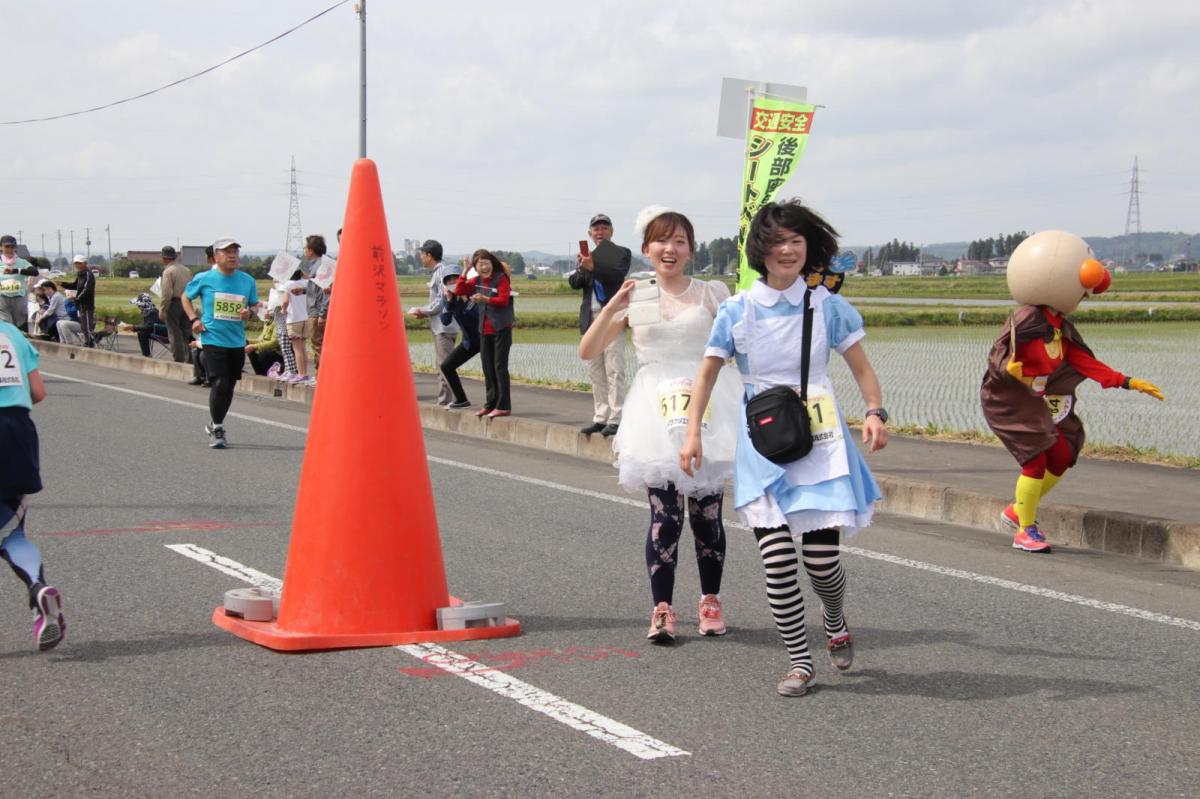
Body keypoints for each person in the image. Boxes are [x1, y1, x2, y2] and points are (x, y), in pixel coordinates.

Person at [680, 199, 890, 697]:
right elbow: (706, 373)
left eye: (797, 241)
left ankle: (834, 617)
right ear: (761, 252)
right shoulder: (737, 310)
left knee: (821, 564)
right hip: (764, 439)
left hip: (821, 440)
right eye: (777, 243)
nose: (788, 250)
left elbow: (861, 367)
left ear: (809, 248)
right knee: (776, 559)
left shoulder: (828, 306)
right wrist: (693, 432)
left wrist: (876, 411)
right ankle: (800, 662)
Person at [580, 207, 741, 643]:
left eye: (680, 241)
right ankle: (662, 608)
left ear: (691, 249)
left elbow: (741, 347)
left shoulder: (712, 293)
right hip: (654, 410)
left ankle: (710, 600)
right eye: (661, 241)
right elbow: (588, 348)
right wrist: (616, 301)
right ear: (647, 248)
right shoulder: (639, 296)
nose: (670, 249)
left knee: (707, 517)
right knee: (665, 517)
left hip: (707, 406)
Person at [980, 231, 1164, 553]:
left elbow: (1083, 362)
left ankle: (1016, 510)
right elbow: (1000, 354)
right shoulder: (1026, 318)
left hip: (1043, 399)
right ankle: (1026, 529)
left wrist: (1127, 381)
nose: (1086, 294)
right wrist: (1009, 369)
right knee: (1035, 460)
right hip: (1013, 400)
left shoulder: (1059, 327)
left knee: (1062, 455)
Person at [0, 316, 65, 651]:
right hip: (16, 430)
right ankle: (38, 587)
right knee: (12, 531)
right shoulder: (11, 333)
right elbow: (38, 391)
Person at [181, 237, 260, 448]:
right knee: (220, 382)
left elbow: (255, 305)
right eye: (227, 252)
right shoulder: (205, 278)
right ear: (216, 256)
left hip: (236, 341)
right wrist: (194, 319)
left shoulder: (247, 280)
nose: (232, 255)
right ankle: (217, 428)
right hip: (212, 337)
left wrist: (249, 312)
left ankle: (215, 422)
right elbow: (185, 297)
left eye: (235, 251)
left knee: (230, 386)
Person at [570, 213, 631, 437]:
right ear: (590, 234)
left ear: (612, 232)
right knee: (595, 370)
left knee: (615, 369)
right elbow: (575, 283)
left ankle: (616, 419)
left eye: (605, 228)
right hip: (591, 319)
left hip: (613, 317)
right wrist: (584, 267)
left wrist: (593, 266)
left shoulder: (620, 253)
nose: (600, 231)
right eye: (596, 229)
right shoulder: (586, 256)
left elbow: (616, 276)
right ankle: (600, 417)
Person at [453, 251, 514, 417]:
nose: (484, 267)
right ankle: (490, 404)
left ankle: (503, 406)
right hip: (484, 329)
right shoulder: (477, 280)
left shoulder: (500, 278)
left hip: (501, 328)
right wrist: (465, 271)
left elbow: (504, 299)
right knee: (487, 367)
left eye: (487, 263)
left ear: (492, 263)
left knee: (499, 367)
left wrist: (485, 299)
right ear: (476, 267)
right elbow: (459, 290)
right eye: (480, 264)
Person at [412, 240, 461, 406]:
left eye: (422, 254)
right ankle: (449, 400)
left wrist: (422, 310)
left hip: (444, 327)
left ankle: (446, 401)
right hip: (440, 325)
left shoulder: (441, 272)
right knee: (443, 364)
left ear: (429, 255)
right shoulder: (438, 271)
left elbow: (441, 300)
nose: (420, 257)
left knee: (444, 365)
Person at [438, 261, 480, 409]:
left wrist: (465, 300)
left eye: (455, 278)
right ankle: (461, 399)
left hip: (485, 338)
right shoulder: (448, 297)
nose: (452, 282)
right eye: (448, 280)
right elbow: (445, 320)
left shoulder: (471, 291)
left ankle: (495, 404)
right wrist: (449, 301)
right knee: (447, 366)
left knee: (492, 370)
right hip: (469, 342)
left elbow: (478, 316)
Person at [302, 235, 331, 379]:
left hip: (317, 310)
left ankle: (323, 377)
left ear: (311, 250)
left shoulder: (321, 265)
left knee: (318, 345)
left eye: (305, 248)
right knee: (318, 344)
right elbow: (316, 288)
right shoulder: (318, 265)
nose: (304, 251)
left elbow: (327, 291)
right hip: (316, 309)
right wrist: (302, 290)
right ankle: (321, 376)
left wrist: (322, 314)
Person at [159, 245, 193, 364]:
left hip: (174, 303)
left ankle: (178, 360)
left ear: (164, 258)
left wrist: (162, 308)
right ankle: (190, 359)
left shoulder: (168, 271)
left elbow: (167, 292)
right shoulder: (186, 270)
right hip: (187, 303)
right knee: (187, 333)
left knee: (174, 334)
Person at [0, 234, 39, 330]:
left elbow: (35, 272)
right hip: (3, 298)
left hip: (19, 298)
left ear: (15, 248)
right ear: (1, 247)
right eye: (7, 247)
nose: (9, 249)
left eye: (12, 247)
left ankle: (22, 342)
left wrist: (17, 270)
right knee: (7, 326)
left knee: (20, 324)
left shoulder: (21, 262)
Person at [280, 269, 312, 384]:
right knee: (303, 348)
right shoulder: (306, 283)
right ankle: (306, 374)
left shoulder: (287, 285)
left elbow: (285, 301)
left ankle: (301, 374)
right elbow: (311, 279)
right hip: (306, 318)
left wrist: (283, 310)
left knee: (297, 349)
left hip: (294, 319)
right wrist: (304, 274)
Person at [58, 255, 96, 346]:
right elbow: (75, 285)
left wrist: (77, 299)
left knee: (87, 325)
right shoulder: (80, 274)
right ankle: (87, 342)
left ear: (85, 264)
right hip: (81, 305)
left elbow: (87, 290)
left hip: (87, 305)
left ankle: (90, 343)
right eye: (76, 263)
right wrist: (62, 284)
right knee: (83, 325)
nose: (77, 265)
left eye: (79, 263)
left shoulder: (88, 274)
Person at [245, 308, 284, 376]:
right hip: (268, 350)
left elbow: (275, 342)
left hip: (278, 353)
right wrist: (248, 343)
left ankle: (269, 373)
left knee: (263, 354)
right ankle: (260, 373)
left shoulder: (279, 322)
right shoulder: (268, 322)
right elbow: (261, 339)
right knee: (247, 346)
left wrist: (255, 346)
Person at [130, 291, 166, 357]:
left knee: (142, 332)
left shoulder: (153, 312)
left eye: (138, 305)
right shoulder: (149, 311)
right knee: (141, 331)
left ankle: (146, 355)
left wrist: (134, 327)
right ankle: (146, 354)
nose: (138, 307)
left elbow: (149, 326)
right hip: (158, 331)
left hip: (164, 334)